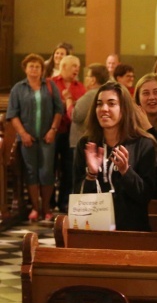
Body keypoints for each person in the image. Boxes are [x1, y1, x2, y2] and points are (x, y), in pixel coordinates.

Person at [73, 82, 157, 231]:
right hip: (93, 228)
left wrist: (126, 171)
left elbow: (145, 195)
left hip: (131, 230)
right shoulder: (86, 144)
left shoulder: (143, 144)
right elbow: (77, 195)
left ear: (124, 109)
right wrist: (91, 174)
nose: (104, 109)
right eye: (99, 104)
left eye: (111, 104)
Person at [7, 54, 63, 222]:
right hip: (27, 138)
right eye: (31, 66)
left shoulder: (50, 85)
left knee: (46, 172)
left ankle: (46, 207)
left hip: (47, 137)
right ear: (25, 68)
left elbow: (59, 110)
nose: (34, 69)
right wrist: (23, 134)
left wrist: (53, 130)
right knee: (31, 172)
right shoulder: (18, 88)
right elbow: (12, 114)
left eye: (37, 67)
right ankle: (35, 208)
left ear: (42, 69)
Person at [51, 54, 86, 213]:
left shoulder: (80, 87)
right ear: (63, 67)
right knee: (50, 167)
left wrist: (70, 102)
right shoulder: (51, 84)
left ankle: (64, 202)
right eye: (74, 66)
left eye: (78, 67)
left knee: (69, 168)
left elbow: (80, 111)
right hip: (53, 132)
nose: (77, 69)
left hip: (72, 134)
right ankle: (49, 202)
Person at [70, 64, 110, 152]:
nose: (85, 78)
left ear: (93, 80)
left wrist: (69, 102)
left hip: (82, 140)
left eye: (87, 76)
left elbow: (76, 116)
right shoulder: (103, 93)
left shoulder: (91, 95)